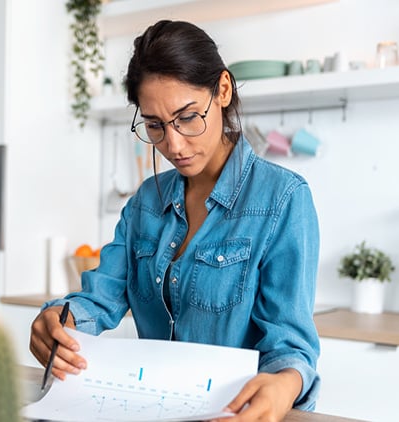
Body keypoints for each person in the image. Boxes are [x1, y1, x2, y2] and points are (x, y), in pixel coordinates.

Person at [30, 20, 320, 421]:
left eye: (186, 118)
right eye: (155, 126)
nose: (174, 145)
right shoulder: (146, 203)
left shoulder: (282, 198)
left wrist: (284, 383)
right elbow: (100, 298)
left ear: (222, 90)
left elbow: (291, 346)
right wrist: (58, 320)